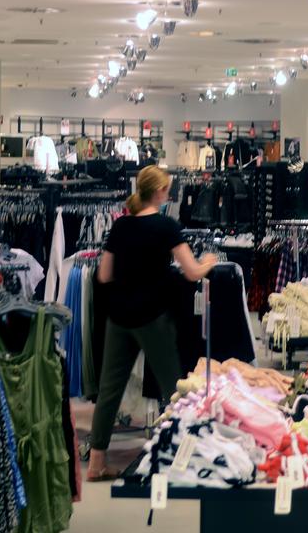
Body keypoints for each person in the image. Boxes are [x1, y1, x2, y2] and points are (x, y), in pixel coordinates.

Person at [87, 166, 218, 481]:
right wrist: (208, 263)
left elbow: (103, 276)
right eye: (167, 188)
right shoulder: (167, 226)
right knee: (174, 388)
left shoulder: (120, 227)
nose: (169, 193)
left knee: (109, 392)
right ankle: (177, 453)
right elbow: (191, 272)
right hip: (153, 319)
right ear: (159, 191)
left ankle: (96, 464)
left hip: (119, 318)